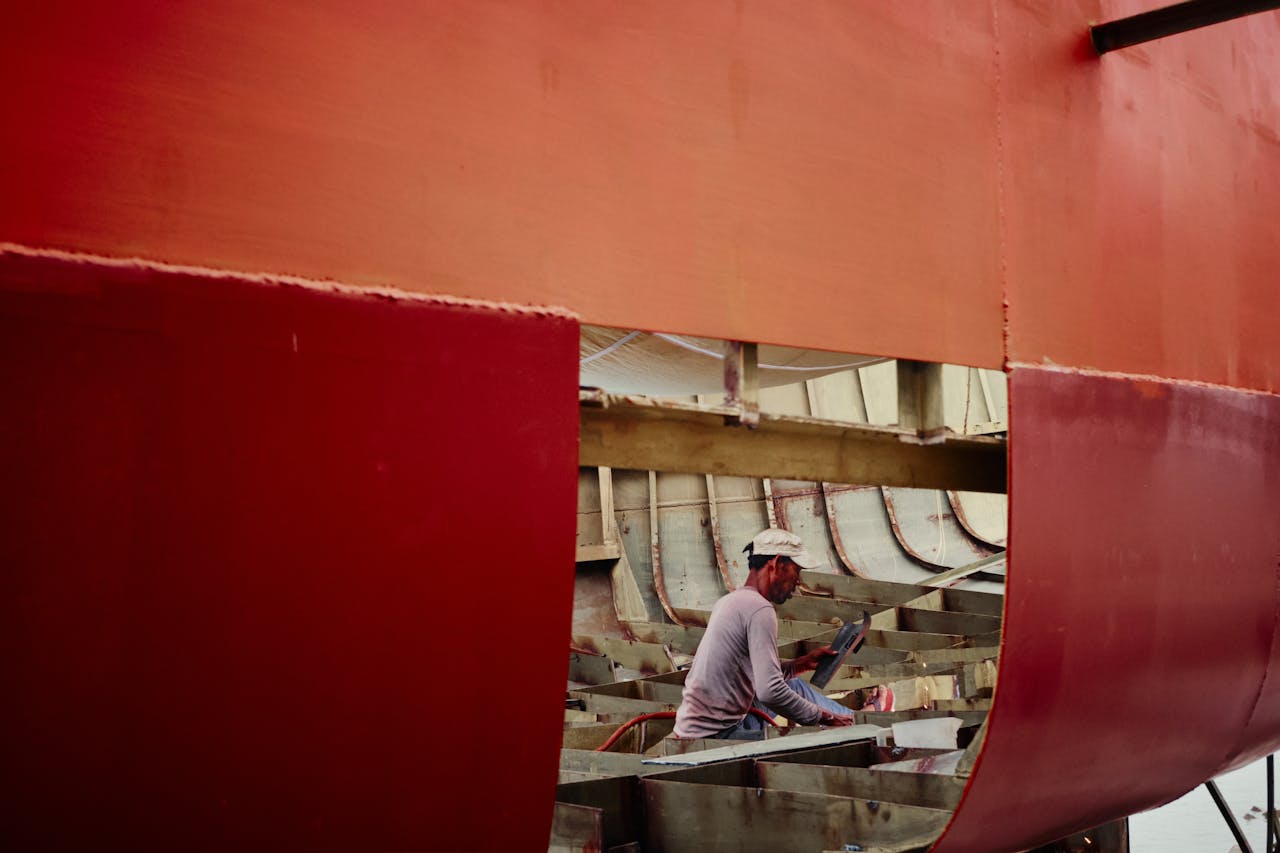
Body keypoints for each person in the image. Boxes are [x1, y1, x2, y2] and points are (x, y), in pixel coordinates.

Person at [673, 527, 855, 739]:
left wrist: (802, 664)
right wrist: (825, 718)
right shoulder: (760, 609)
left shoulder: (730, 601)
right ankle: (852, 723)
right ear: (777, 564)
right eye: (796, 572)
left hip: (693, 727)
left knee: (792, 684)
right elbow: (770, 691)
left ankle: (850, 719)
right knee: (803, 743)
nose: (797, 582)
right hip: (716, 735)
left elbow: (759, 678)